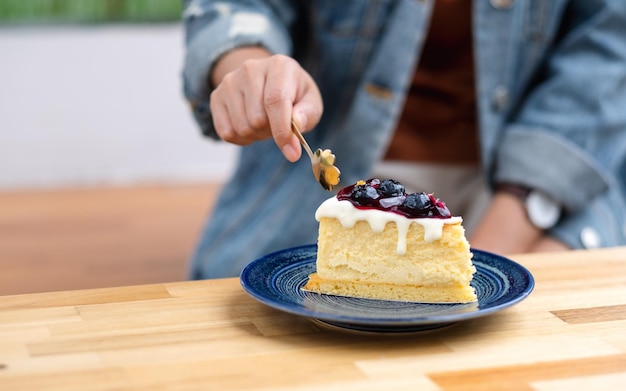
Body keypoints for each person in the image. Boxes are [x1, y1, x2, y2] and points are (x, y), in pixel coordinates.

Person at [182, 0, 626, 279]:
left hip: (529, 193)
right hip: (315, 194)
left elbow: (604, 55)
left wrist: (475, 268)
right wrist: (248, 65)